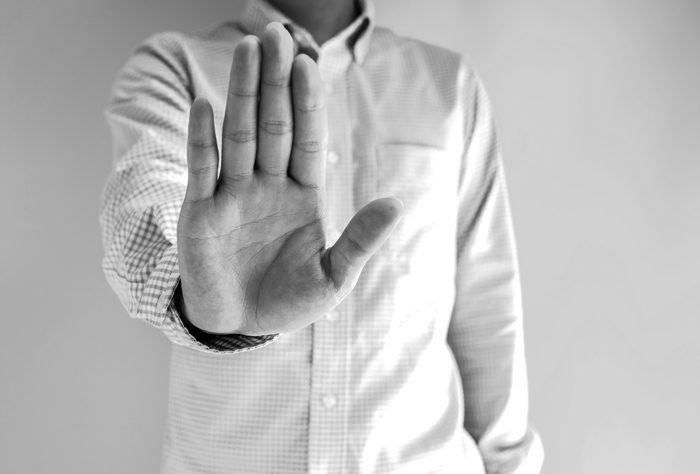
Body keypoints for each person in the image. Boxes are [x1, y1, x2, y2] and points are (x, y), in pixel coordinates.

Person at [100, 0, 544, 471]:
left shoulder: (448, 84)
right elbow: (140, 215)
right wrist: (196, 299)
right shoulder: (174, 65)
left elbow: (487, 304)